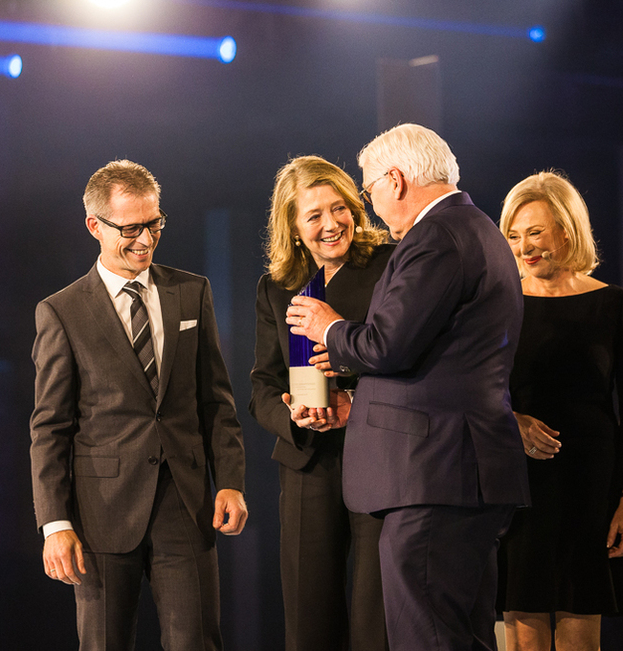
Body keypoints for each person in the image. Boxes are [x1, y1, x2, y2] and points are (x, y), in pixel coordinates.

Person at [286, 124, 531, 651]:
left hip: (433, 475)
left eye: (370, 191)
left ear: (395, 180)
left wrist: (328, 326)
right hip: (460, 472)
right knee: (463, 636)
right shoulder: (476, 227)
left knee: (428, 639)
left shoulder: (436, 237)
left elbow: (387, 345)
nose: (372, 206)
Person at [30, 159, 248, 651]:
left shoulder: (192, 292)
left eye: (155, 224)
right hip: (100, 513)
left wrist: (231, 480)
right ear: (94, 226)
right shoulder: (61, 311)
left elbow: (216, 399)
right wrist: (55, 524)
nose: (145, 240)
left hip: (186, 504)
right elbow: (50, 427)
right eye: (130, 228)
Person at [496, 171, 623, 651]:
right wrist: (513, 422)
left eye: (536, 232)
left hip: (591, 488)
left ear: (567, 230)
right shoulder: (495, 307)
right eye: (514, 235)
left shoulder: (614, 304)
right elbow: (471, 392)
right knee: (524, 635)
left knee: (581, 635)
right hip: (517, 484)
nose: (525, 247)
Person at [250, 155, 393, 651]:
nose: (331, 224)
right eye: (314, 216)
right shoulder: (276, 287)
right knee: (309, 622)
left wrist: (351, 396)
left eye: (340, 209)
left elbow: (409, 357)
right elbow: (262, 386)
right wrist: (292, 413)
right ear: (292, 227)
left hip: (380, 457)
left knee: (377, 620)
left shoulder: (389, 265)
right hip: (307, 462)